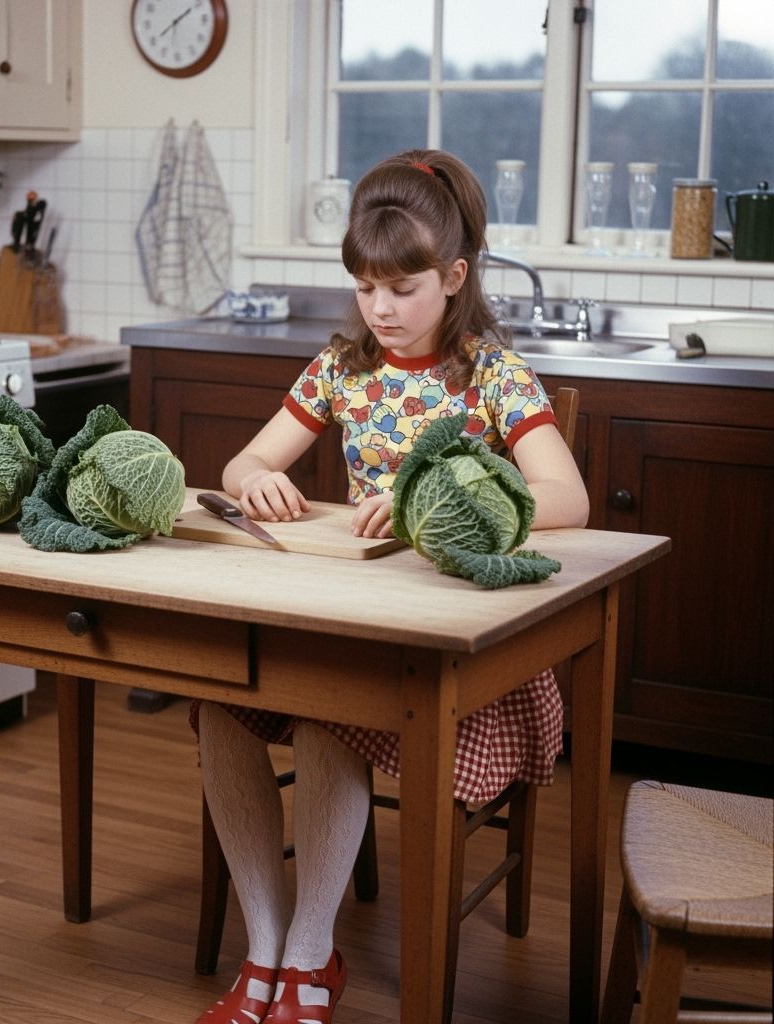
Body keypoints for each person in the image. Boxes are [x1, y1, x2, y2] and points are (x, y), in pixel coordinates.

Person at [192, 149, 590, 1024]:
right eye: (366, 287)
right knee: (220, 704)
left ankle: (309, 957)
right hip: (349, 617)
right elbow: (243, 459)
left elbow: (568, 495)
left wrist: (428, 508)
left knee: (331, 706)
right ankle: (263, 950)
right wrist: (255, 476)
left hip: (463, 656)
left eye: (402, 289)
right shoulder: (344, 369)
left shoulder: (490, 372)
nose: (382, 309)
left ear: (453, 277)